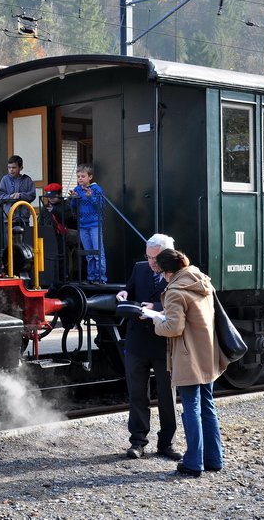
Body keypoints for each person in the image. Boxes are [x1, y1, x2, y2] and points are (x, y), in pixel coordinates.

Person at [146, 249, 230, 477]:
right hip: (207, 353)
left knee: (191, 408)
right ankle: (214, 459)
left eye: (161, 273)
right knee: (207, 405)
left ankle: (193, 462)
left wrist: (156, 321)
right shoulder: (201, 281)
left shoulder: (175, 291)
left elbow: (173, 328)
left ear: (168, 272)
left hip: (188, 356)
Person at [115, 234, 181, 461]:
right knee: (137, 394)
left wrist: (158, 307)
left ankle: (167, 443)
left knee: (167, 395)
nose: (152, 262)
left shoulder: (179, 273)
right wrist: (123, 294)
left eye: (156, 258)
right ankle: (138, 441)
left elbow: (185, 303)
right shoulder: (140, 268)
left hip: (164, 343)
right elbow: (130, 290)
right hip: (137, 341)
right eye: (149, 257)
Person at [68, 163, 106, 284]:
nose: (80, 178)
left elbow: (101, 206)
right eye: (78, 176)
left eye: (83, 176)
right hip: (83, 225)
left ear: (90, 177)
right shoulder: (77, 189)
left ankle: (101, 278)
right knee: (89, 254)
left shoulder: (96, 189)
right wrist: (73, 199)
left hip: (94, 224)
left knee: (98, 252)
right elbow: (73, 208)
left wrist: (91, 197)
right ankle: (91, 277)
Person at [38, 182, 76, 282]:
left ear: (59, 195)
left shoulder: (65, 205)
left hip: (60, 234)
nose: (51, 199)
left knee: (62, 254)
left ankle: (64, 276)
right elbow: (40, 221)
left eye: (53, 196)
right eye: (49, 197)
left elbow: (67, 219)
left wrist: (54, 210)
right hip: (48, 235)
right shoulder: (45, 207)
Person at [0, 155, 36, 228]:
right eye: (9, 167)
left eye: (14, 167)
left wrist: (20, 195)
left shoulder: (27, 180)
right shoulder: (5, 179)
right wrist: (10, 197)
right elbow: (0, 196)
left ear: (21, 168)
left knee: (25, 235)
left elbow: (32, 195)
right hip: (9, 218)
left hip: (23, 218)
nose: (11, 170)